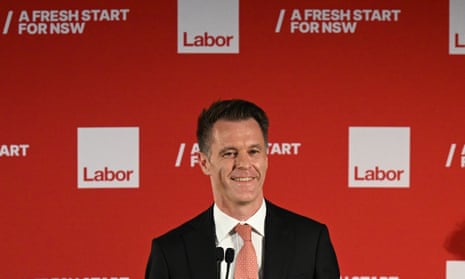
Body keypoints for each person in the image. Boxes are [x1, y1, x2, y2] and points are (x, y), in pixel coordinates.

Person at [145, 99, 340, 279]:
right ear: (204, 162)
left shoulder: (311, 241)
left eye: (253, 151)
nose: (244, 164)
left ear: (266, 158)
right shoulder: (170, 252)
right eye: (230, 153)